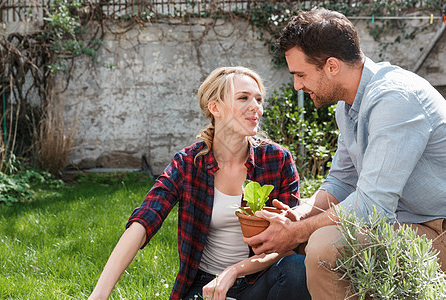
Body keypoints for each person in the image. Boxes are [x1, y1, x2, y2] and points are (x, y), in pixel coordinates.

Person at [244, 8, 446, 300]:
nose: (297, 85)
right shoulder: (348, 106)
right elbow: (341, 181)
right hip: (405, 222)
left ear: (332, 66)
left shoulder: (395, 100)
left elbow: (371, 208)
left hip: (436, 226)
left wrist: (296, 232)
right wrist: (298, 214)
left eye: (301, 74)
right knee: (312, 237)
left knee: (327, 245)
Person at [88, 66, 310, 300]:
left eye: (259, 99)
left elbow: (287, 240)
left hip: (259, 282)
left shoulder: (277, 159)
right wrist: (100, 294)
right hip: (206, 286)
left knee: (296, 267)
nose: (256, 107)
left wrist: (234, 271)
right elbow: (144, 220)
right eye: (244, 98)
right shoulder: (188, 163)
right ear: (215, 107)